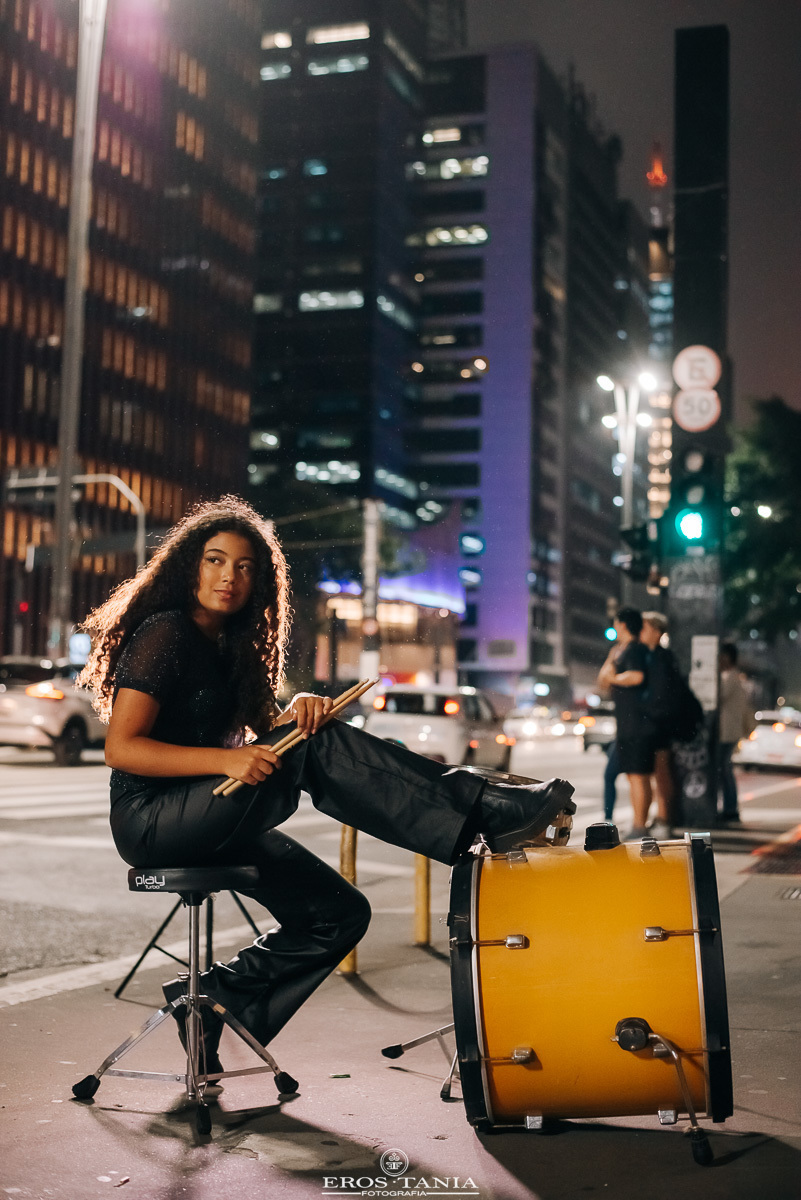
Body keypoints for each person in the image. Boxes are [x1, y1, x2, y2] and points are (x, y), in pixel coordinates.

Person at [78, 496, 574, 1074]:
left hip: (214, 813)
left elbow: (274, 729)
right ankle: (483, 808)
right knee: (314, 750)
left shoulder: (235, 647)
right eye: (215, 561)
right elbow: (123, 749)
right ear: (190, 565)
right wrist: (224, 760)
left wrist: (304, 708)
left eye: (244, 567)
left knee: (337, 914)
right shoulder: (166, 632)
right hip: (152, 820)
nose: (228, 577)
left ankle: (214, 1004)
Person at [597, 607, 654, 840]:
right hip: (627, 725)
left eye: (616, 623)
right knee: (632, 775)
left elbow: (637, 676)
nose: (614, 627)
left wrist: (614, 678)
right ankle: (637, 823)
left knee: (637, 775)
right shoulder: (620, 651)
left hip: (637, 724)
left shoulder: (636, 650)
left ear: (622, 624)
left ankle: (640, 826)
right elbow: (602, 681)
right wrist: (612, 658)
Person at [639, 612, 677, 839]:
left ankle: (664, 818)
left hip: (659, 724)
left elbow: (660, 694)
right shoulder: (656, 656)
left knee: (661, 772)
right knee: (656, 772)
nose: (640, 632)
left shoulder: (660, 658)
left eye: (644, 628)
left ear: (655, 630)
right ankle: (661, 818)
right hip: (656, 722)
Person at [717, 642, 754, 824]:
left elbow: (718, 696)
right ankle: (730, 808)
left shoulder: (729, 677)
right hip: (730, 730)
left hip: (726, 731)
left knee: (724, 769)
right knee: (725, 768)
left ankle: (730, 809)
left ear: (727, 657)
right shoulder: (734, 677)